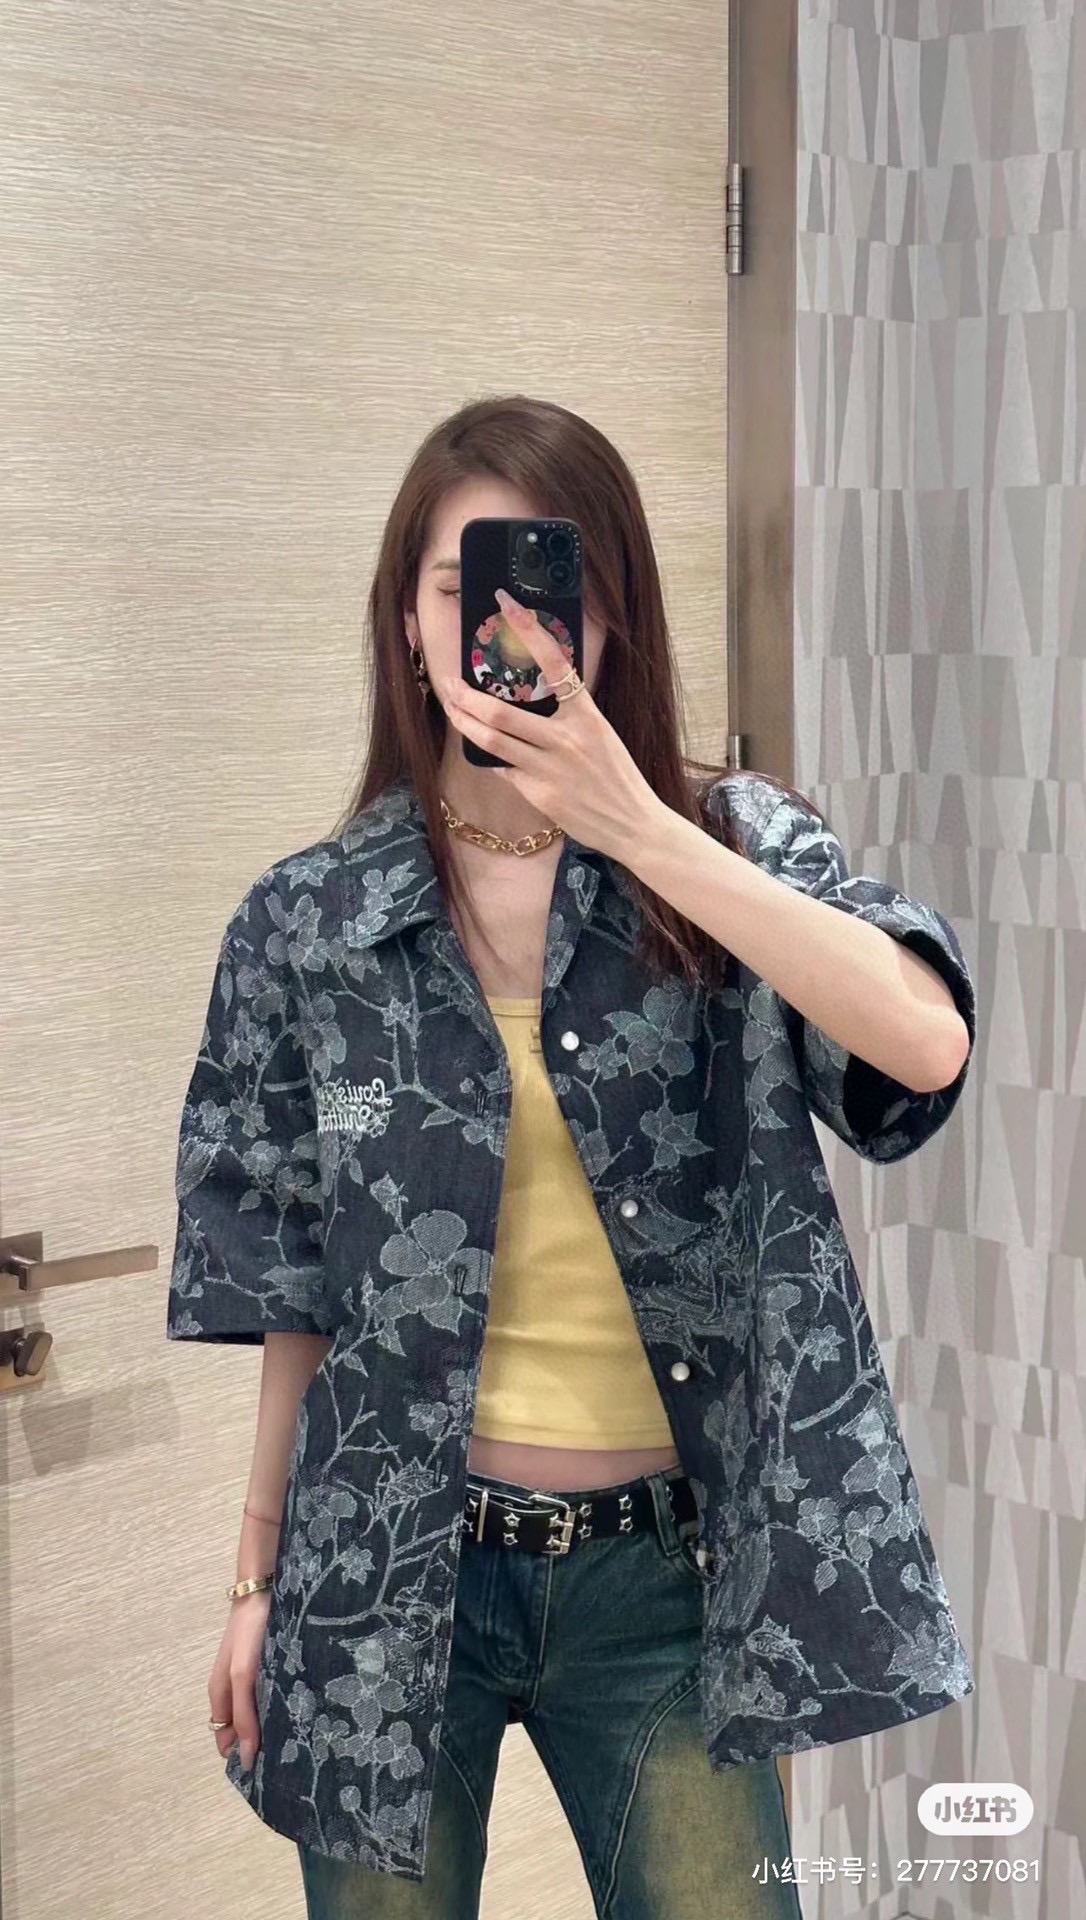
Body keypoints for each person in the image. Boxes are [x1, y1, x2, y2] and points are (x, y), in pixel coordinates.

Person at [167, 395, 977, 1918]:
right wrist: (256, 1578)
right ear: (410, 622)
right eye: (461, 585)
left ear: (612, 619)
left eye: (555, 587)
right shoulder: (308, 921)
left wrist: (642, 825)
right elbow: (297, 1293)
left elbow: (921, 1046)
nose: (511, 629)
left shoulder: (731, 849)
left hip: (659, 1584)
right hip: (383, 1575)